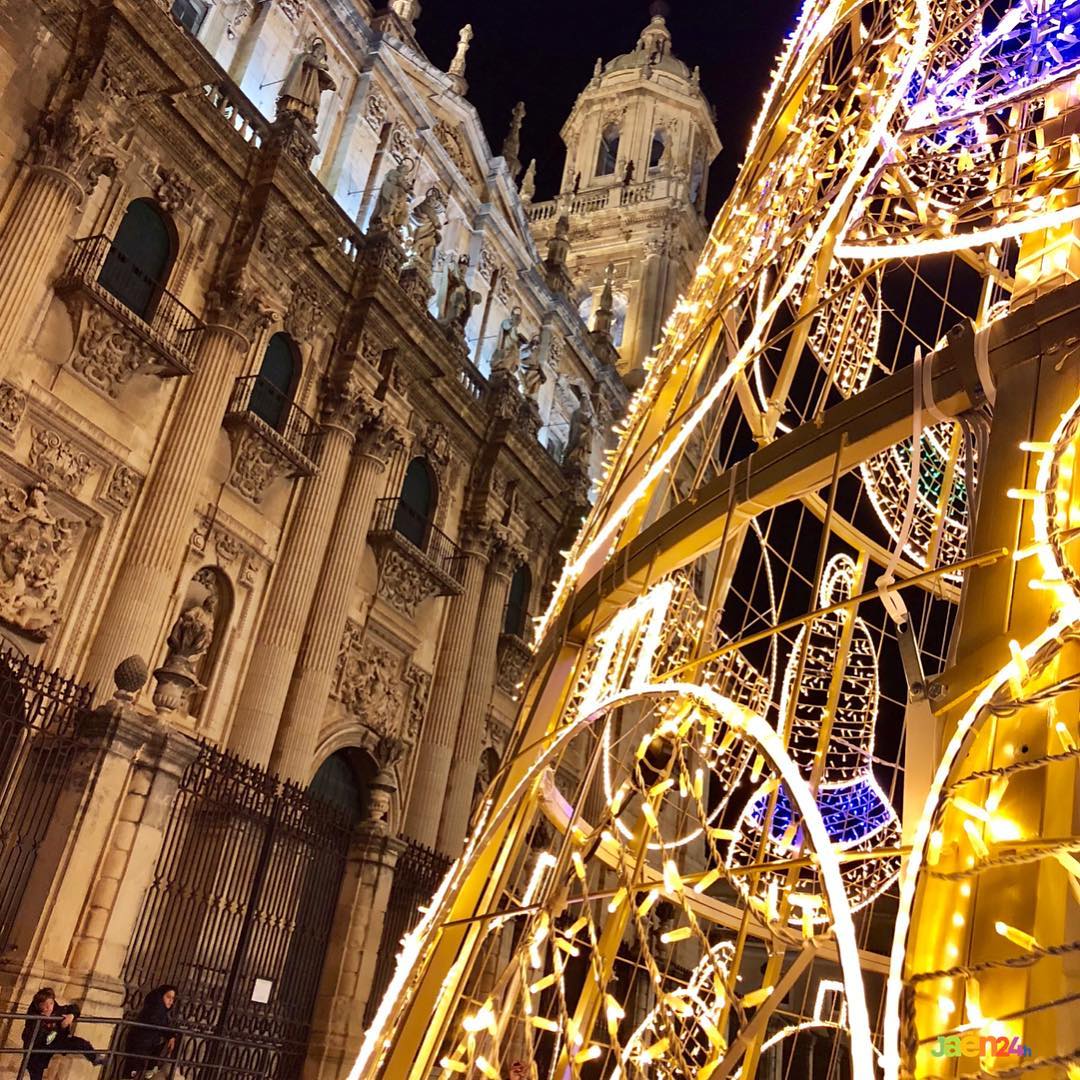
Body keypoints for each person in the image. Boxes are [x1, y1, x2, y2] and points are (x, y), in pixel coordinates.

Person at [21, 987, 104, 1080]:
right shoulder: (34, 1017)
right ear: (39, 1006)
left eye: (51, 1003)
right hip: (38, 1046)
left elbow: (73, 1008)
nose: (49, 1007)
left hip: (55, 1041)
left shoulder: (56, 1010)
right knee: (35, 1067)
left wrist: (71, 1016)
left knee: (79, 1043)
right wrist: (51, 1024)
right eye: (45, 1005)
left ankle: (95, 1058)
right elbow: (38, 1037)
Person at [124, 986, 179, 1080]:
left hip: (146, 1049)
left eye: (173, 998)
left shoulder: (162, 1013)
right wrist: (170, 1035)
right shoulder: (154, 1010)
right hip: (139, 1047)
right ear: (160, 996)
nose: (171, 1001)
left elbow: (162, 1026)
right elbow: (159, 1024)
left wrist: (171, 1036)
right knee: (131, 1073)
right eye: (168, 997)